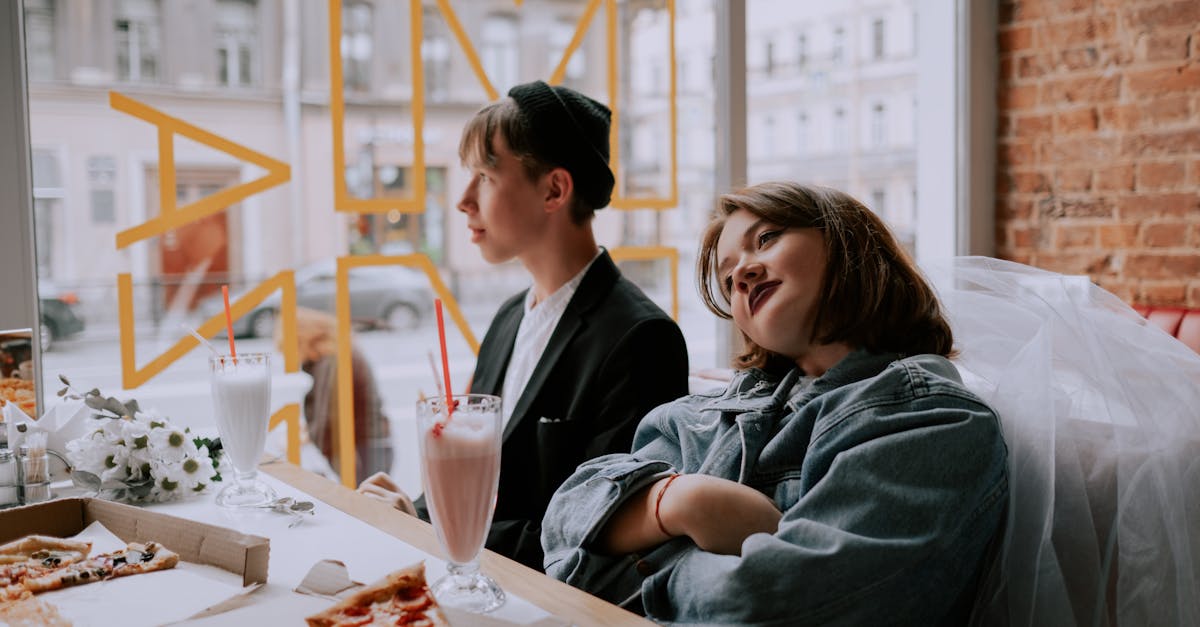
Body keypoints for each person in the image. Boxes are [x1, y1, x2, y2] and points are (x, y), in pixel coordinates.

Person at [540, 182, 1008, 624]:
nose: (742, 272)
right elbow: (563, 526)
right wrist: (687, 502)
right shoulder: (712, 410)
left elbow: (769, 604)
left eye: (766, 239)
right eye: (727, 278)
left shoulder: (933, 420)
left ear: (848, 244)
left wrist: (643, 560)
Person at [359, 80, 690, 571]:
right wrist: (412, 508)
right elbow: (477, 484)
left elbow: (599, 532)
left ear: (554, 189)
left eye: (486, 177)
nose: (463, 200)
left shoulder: (641, 340)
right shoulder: (509, 317)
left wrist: (431, 526)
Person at [279, 307, 393, 484]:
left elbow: (327, 419)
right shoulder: (339, 354)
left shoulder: (331, 361)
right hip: (372, 444)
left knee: (362, 504)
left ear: (302, 339)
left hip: (361, 450)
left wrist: (303, 438)